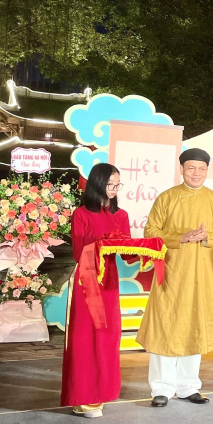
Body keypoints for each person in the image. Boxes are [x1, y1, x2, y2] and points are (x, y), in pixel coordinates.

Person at [137, 148, 213, 407]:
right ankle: (162, 388)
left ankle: (188, 386)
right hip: (172, 273)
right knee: (166, 325)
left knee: (195, 325)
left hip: (202, 274)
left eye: (202, 168)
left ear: (207, 171)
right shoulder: (167, 198)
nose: (196, 173)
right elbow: (151, 231)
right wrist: (181, 237)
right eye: (191, 168)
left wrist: (207, 237)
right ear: (181, 169)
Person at [61, 164, 130, 418]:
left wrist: (151, 250)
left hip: (109, 282)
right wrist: (103, 244)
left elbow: (128, 252)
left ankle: (101, 393)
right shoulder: (81, 214)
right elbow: (79, 252)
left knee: (107, 338)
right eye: (110, 184)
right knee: (84, 339)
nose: (114, 189)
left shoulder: (120, 215)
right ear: (97, 183)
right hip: (86, 280)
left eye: (117, 185)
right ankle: (83, 397)